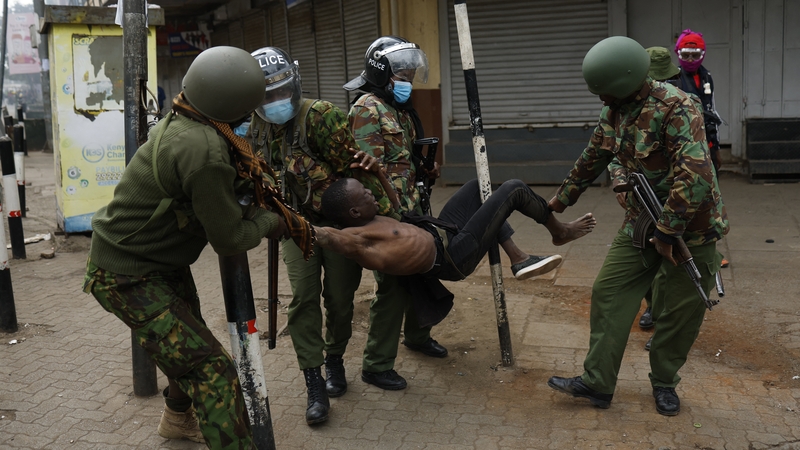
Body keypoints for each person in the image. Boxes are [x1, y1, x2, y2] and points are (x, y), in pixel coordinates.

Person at [82, 46, 300, 449]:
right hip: (127, 276)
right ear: (237, 108)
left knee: (188, 346)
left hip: (159, 263)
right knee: (213, 369)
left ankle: (177, 420)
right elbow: (230, 238)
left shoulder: (190, 114)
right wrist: (271, 222)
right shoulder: (204, 150)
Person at [343, 36, 557, 390]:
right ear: (382, 73)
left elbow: (402, 162)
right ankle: (376, 365)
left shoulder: (398, 111)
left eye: (412, 73)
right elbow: (366, 173)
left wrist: (425, 170)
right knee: (394, 287)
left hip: (413, 209)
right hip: (388, 218)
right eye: (403, 73)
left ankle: (416, 336)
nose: (409, 79)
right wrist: (389, 224)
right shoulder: (367, 109)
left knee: (421, 277)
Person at [546, 36, 729, 417]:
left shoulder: (678, 107)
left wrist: (667, 232)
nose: (601, 101)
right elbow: (594, 155)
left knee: (679, 313)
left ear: (628, 82)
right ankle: (597, 383)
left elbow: (694, 174)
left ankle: (664, 382)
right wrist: (561, 200)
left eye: (606, 93)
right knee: (609, 291)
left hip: (690, 228)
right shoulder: (615, 111)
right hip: (642, 221)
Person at [243, 46, 398, 426]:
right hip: (294, 227)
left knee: (341, 301)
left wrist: (379, 211)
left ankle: (334, 359)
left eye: (282, 91)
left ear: (294, 84)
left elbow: (353, 171)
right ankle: (314, 382)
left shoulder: (322, 116)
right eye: (267, 95)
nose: (276, 101)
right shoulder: (255, 125)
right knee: (303, 300)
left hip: (339, 226)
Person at [315, 177, 595, 281]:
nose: (370, 193)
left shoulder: (374, 219)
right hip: (454, 258)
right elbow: (328, 237)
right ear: (353, 212)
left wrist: (377, 171)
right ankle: (559, 231)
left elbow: (399, 207)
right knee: (513, 189)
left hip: (445, 234)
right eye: (365, 193)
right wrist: (294, 224)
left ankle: (518, 258)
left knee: (477, 188)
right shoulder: (358, 239)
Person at [608, 46, 682, 334]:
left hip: (676, 203)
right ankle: (653, 306)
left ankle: (665, 326)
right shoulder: (625, 111)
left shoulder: (683, 106)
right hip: (641, 204)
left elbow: (694, 169)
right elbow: (614, 155)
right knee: (643, 257)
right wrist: (619, 179)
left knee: (668, 269)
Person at [671, 29, 730, 269]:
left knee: (710, 201)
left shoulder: (706, 78)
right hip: (684, 148)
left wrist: (715, 147)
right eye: (687, 54)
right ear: (678, 53)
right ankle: (681, 245)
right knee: (685, 197)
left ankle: (711, 251)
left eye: (696, 55)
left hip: (705, 146)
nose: (692, 60)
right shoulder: (673, 78)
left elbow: (711, 113)